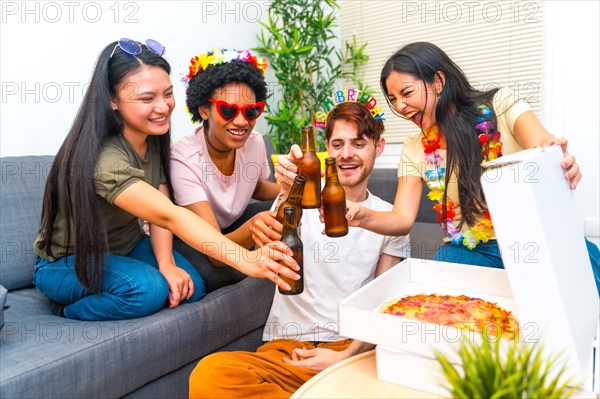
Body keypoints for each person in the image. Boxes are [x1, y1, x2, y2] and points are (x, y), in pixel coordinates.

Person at [33, 39, 298, 321]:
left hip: (129, 247)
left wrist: (166, 262)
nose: (163, 107)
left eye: (167, 94)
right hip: (69, 263)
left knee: (190, 287)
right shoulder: (106, 162)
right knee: (148, 289)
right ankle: (65, 310)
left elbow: (160, 211)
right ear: (112, 99)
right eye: (147, 99)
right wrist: (247, 259)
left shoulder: (154, 139)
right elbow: (171, 215)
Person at [188, 101, 410, 398]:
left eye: (359, 144)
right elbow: (268, 241)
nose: (346, 154)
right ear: (325, 150)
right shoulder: (298, 200)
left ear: (378, 147)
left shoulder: (388, 219)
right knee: (210, 375)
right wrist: (285, 188)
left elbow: (384, 305)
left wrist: (345, 356)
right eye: (337, 144)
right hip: (287, 352)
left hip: (351, 352)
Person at [344, 41, 600, 293]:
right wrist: (361, 215)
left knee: (583, 263)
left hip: (533, 236)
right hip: (471, 249)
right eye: (393, 99)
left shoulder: (501, 104)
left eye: (407, 93)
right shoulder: (414, 148)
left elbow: (542, 148)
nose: (400, 106)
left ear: (439, 82)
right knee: (441, 284)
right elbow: (401, 218)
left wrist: (558, 158)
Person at [170, 49, 283, 271]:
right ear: (204, 110)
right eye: (228, 110)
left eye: (251, 111)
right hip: (196, 241)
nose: (242, 122)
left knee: (287, 212)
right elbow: (214, 251)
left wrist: (297, 188)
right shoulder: (184, 158)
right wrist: (252, 228)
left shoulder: (254, 142)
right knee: (223, 268)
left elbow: (256, 187)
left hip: (230, 226)